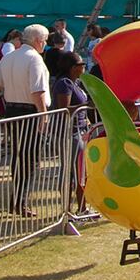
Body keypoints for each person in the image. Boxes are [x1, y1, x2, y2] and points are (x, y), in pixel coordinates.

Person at [0, 24, 51, 217]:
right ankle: (20, 202)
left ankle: (17, 201)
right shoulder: (35, 60)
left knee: (19, 157)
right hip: (30, 113)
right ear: (37, 41)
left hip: (12, 112)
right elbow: (38, 92)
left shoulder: (8, 58)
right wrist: (43, 116)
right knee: (30, 159)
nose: (45, 44)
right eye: (45, 40)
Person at [52, 52, 88, 212]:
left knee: (80, 170)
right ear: (74, 68)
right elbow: (63, 108)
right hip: (68, 133)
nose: (84, 67)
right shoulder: (64, 83)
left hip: (80, 130)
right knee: (72, 172)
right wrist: (87, 105)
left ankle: (82, 208)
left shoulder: (76, 83)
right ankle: (67, 210)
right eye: (82, 65)